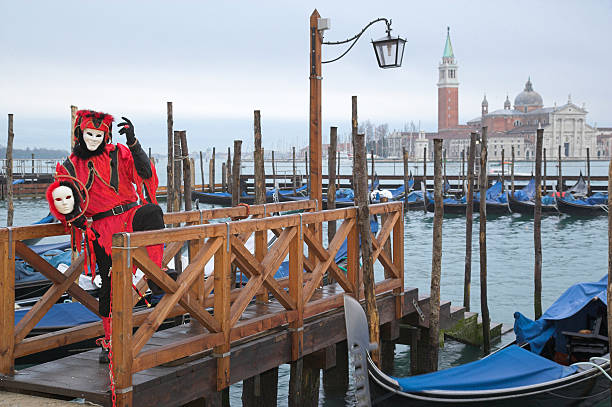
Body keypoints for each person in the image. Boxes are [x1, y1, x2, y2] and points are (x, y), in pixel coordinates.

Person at [46, 109, 174, 363]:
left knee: (153, 213)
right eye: (89, 134)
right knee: (108, 288)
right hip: (102, 230)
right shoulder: (70, 166)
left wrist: (134, 144)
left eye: (99, 134)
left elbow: (145, 174)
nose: (93, 139)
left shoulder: (119, 153)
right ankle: (109, 342)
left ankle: (153, 272)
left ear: (106, 135)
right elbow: (62, 200)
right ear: (80, 133)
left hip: (130, 214)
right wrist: (77, 220)